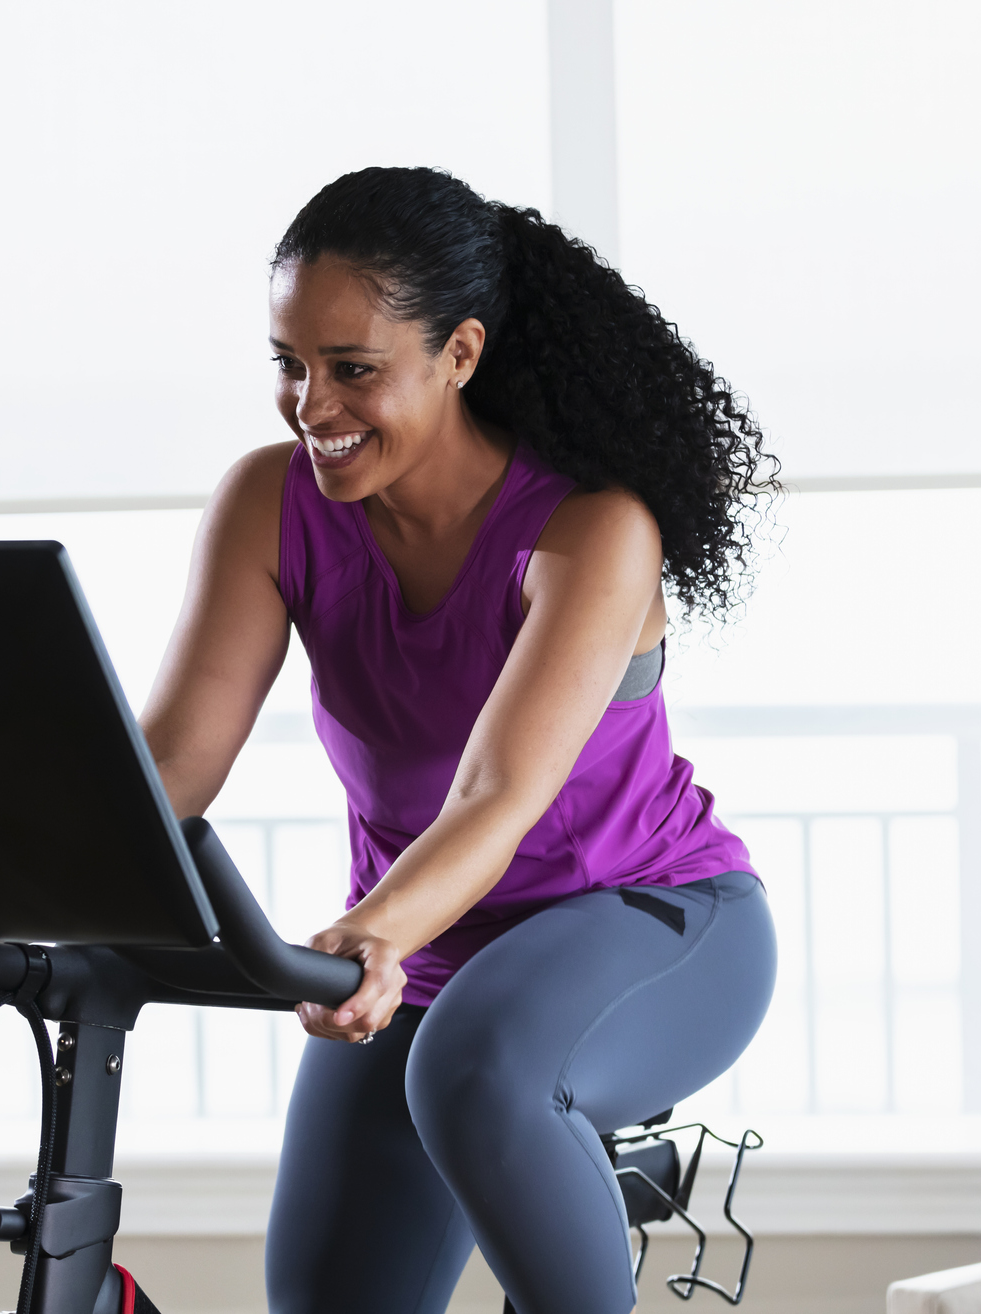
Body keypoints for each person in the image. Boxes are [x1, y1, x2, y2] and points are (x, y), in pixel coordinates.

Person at [137, 167, 780, 1314]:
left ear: (460, 355)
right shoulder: (268, 505)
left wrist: (372, 931)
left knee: (479, 1072)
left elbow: (495, 794)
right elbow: (171, 767)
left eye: (352, 370)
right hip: (427, 963)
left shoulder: (591, 529)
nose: (309, 406)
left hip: (652, 922)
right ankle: (566, 1167)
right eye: (288, 364)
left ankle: (566, 1158)